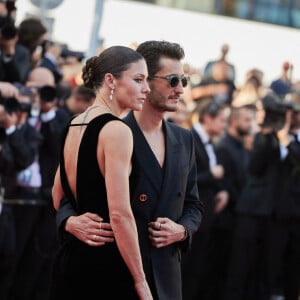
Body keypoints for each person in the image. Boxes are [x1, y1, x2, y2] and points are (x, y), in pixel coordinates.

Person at [55, 40, 203, 300]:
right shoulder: (116, 131)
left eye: (184, 80)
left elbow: (193, 204)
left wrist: (182, 230)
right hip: (119, 269)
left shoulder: (185, 139)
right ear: (113, 80)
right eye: (171, 80)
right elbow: (114, 211)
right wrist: (70, 221)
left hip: (165, 274)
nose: (180, 89)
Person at [50, 45, 152, 300]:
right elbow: (119, 215)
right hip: (104, 264)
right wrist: (141, 281)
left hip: (70, 258)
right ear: (110, 80)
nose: (147, 89)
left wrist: (71, 222)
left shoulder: (75, 122)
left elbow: (56, 195)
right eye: (138, 79)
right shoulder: (117, 131)